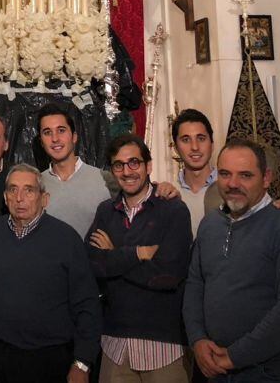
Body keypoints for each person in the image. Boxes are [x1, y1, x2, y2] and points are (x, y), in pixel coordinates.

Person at [183, 139, 280, 382]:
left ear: (266, 178)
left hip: (271, 372)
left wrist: (235, 356)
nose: (233, 184)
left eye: (245, 175)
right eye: (225, 174)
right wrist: (198, 339)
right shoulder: (210, 225)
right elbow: (195, 284)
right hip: (214, 368)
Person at [0, 164, 101, 383]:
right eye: (13, 189)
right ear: (5, 197)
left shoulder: (66, 239)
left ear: (44, 198)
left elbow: (87, 304)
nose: (20, 198)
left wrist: (82, 362)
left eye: (29, 190)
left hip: (52, 359)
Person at [86, 134, 192, 383]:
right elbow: (92, 265)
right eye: (118, 165)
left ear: (148, 166)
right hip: (115, 344)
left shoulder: (173, 210)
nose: (127, 171)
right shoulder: (105, 211)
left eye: (134, 162)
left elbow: (168, 276)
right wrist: (138, 253)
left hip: (163, 346)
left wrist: (114, 254)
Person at [37, 105, 112, 238]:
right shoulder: (36, 184)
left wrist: (160, 189)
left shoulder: (104, 179)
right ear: (41, 142)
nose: (55, 139)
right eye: (47, 132)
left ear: (74, 137)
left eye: (61, 130)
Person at [171, 109, 222, 235]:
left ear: (212, 144)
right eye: (186, 140)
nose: (195, 147)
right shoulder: (169, 193)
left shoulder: (230, 187)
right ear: (176, 148)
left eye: (201, 138)